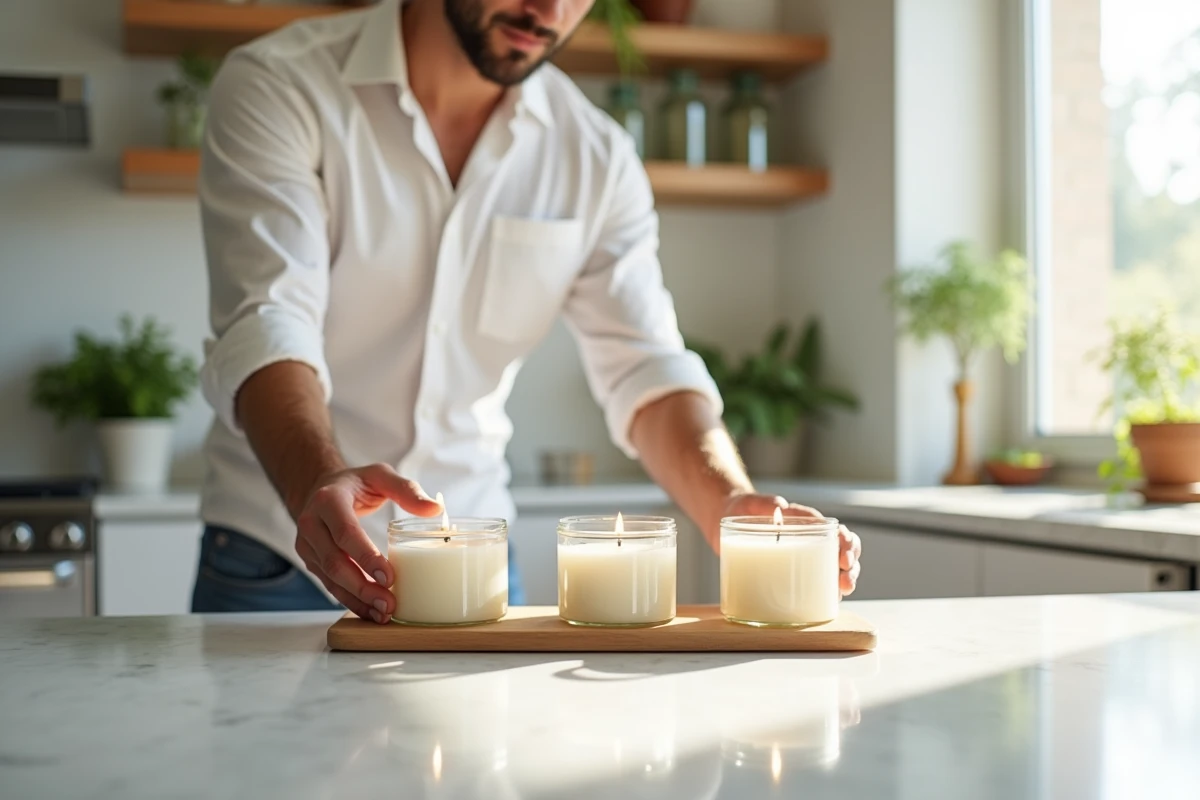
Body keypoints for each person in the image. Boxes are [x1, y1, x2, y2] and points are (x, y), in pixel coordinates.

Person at [192, 0, 862, 621]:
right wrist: (318, 480)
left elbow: (646, 366)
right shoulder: (280, 85)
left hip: (478, 561)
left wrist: (727, 503)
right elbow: (269, 319)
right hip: (275, 558)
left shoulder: (595, 157)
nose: (550, 10)